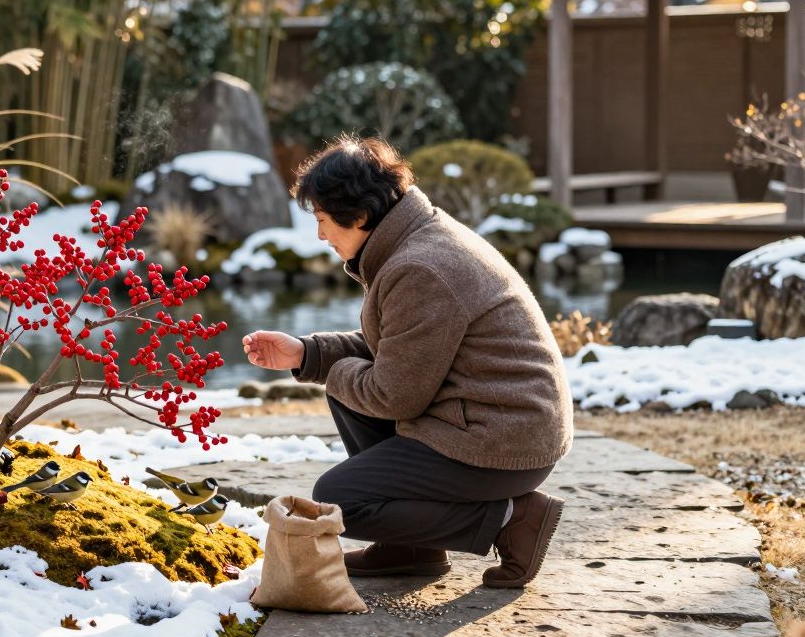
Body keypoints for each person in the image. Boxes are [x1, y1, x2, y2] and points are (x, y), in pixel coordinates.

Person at [241, 137, 573, 589]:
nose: (320, 235)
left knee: (341, 499)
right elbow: (401, 349)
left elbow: (394, 395)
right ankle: (411, 547)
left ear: (358, 215)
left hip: (503, 438)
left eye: (321, 220)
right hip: (490, 418)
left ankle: (511, 518)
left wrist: (333, 371)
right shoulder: (416, 239)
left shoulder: (421, 267)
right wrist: (307, 354)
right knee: (347, 392)